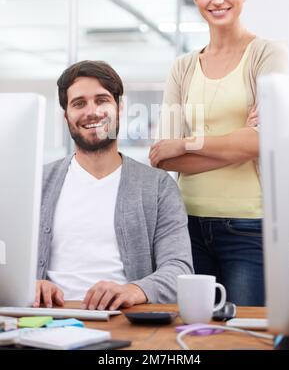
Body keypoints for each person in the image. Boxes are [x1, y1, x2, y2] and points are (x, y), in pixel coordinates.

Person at [149, 0, 288, 306]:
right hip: (186, 225)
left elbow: (263, 142)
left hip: (249, 226)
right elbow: (162, 156)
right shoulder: (182, 67)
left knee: (242, 337)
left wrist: (185, 144)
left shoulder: (267, 54)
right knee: (193, 334)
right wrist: (238, 139)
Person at [35, 60, 193, 310]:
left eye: (102, 100)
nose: (92, 111)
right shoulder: (38, 183)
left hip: (124, 320)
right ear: (66, 115)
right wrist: (29, 283)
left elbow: (179, 270)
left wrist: (135, 290)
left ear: (120, 108)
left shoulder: (158, 186)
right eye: (79, 103)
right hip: (49, 321)